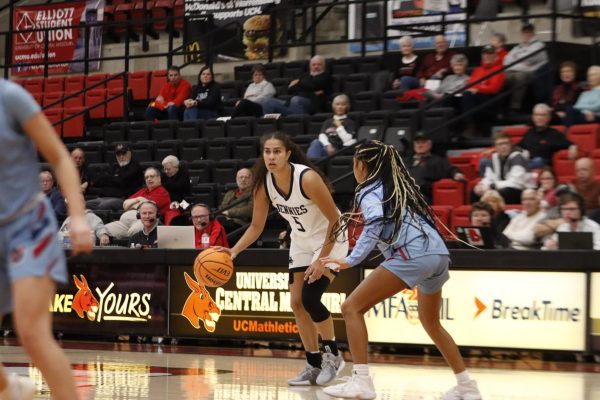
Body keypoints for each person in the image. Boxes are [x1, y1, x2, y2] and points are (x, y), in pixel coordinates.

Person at [320, 141, 481, 400]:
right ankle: (467, 386)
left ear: (362, 165)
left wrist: (352, 259)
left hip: (415, 253)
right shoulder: (395, 187)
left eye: (354, 162)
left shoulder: (369, 190)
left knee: (351, 307)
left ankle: (362, 381)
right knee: (431, 323)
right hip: (438, 253)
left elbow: (374, 223)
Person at [220, 132, 349, 386]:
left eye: (277, 151)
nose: (271, 156)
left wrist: (320, 260)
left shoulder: (307, 178)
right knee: (296, 303)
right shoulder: (264, 183)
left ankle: (333, 355)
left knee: (311, 298)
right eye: (267, 151)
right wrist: (233, 251)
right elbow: (256, 226)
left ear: (288, 154)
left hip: (331, 238)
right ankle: (313, 363)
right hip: (301, 240)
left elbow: (334, 221)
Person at [0, 79, 93, 400]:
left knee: (31, 333)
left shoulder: (10, 97)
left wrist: (78, 216)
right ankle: (10, 388)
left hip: (28, 225)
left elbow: (60, 157)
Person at [104, 167, 171, 240]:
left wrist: (134, 204)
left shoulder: (163, 192)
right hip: (126, 222)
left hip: (147, 221)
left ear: (159, 178)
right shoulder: (143, 191)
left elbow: (149, 207)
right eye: (146, 177)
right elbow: (125, 204)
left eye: (152, 176)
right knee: (105, 230)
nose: (149, 179)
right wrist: (138, 199)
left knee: (134, 232)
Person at [405, 131, 466, 203]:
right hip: (404, 192)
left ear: (430, 144)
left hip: (423, 195)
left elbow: (450, 170)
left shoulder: (438, 161)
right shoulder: (406, 161)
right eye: (417, 143)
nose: (420, 145)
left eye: (423, 142)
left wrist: (456, 174)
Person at [262, 55, 332, 115]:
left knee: (296, 100)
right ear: (310, 66)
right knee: (269, 101)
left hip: (312, 105)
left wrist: (299, 83)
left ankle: (295, 123)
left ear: (324, 66)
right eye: (314, 65)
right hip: (292, 103)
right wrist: (310, 91)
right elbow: (291, 88)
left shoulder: (326, 76)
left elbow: (312, 85)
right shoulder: (305, 76)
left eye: (319, 64)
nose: (316, 67)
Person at [473, 132, 530, 204]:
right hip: (500, 188)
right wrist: (481, 186)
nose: (503, 147)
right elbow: (488, 177)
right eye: (500, 144)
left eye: (506, 143)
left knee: (504, 192)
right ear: (495, 147)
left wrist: (492, 186)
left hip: (523, 191)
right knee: (474, 192)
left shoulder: (518, 157)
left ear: (511, 145)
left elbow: (516, 183)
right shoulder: (494, 158)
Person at [503, 23, 549, 112]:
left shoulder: (539, 45)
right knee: (500, 77)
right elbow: (506, 60)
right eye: (524, 32)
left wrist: (516, 58)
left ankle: (515, 106)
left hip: (534, 72)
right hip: (515, 70)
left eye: (528, 32)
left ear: (533, 33)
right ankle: (500, 106)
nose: (526, 34)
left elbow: (530, 58)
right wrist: (521, 62)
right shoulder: (518, 47)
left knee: (520, 77)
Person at [461, 45, 505, 135]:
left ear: (495, 56)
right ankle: (464, 126)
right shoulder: (478, 70)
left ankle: (469, 125)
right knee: (457, 97)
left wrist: (478, 88)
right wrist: (479, 87)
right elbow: (470, 84)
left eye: (489, 54)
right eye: (484, 54)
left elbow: (494, 88)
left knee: (467, 95)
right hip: (477, 97)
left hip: (490, 99)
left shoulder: (499, 70)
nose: (486, 56)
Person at [86, 143, 144, 212]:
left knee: (103, 206)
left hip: (124, 199)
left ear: (129, 154)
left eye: (124, 154)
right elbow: (102, 180)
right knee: (85, 205)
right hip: (106, 197)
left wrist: (112, 179)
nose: (121, 157)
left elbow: (121, 181)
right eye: (118, 155)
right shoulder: (115, 166)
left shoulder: (135, 167)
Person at [517, 103, 577, 168]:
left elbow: (569, 144)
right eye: (536, 115)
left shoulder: (554, 134)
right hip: (528, 168)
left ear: (549, 118)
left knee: (538, 161)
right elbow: (518, 147)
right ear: (533, 117)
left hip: (544, 170)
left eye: (543, 115)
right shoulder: (529, 133)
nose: (539, 118)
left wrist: (573, 147)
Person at [306, 94, 357, 158]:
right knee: (315, 142)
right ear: (334, 106)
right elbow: (322, 135)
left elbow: (347, 140)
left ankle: (309, 166)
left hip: (338, 150)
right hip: (325, 147)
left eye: (343, 104)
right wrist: (328, 145)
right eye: (337, 104)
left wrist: (340, 126)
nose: (340, 107)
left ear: (347, 106)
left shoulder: (350, 122)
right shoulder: (328, 121)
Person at [216, 168, 253, 242]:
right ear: (236, 179)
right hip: (226, 222)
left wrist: (229, 213)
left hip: (242, 225)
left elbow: (250, 210)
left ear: (251, 179)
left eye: (246, 177)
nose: (243, 180)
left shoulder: (254, 193)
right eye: (241, 177)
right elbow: (222, 208)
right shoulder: (230, 193)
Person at [161, 155, 191, 225]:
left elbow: (178, 187)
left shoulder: (184, 174)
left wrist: (165, 185)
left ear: (176, 168)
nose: (166, 171)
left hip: (184, 201)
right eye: (164, 169)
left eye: (168, 169)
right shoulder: (164, 175)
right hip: (168, 201)